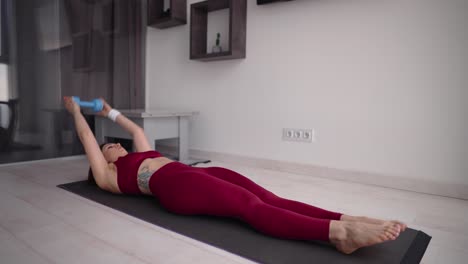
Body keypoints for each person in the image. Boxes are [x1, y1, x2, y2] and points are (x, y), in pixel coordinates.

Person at [63, 96, 407, 254]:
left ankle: (349, 218)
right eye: (110, 148)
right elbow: (87, 139)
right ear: (103, 164)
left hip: (194, 175)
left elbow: (135, 130)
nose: (116, 147)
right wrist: (77, 112)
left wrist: (110, 112)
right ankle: (338, 233)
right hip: (177, 189)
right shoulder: (109, 176)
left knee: (270, 198)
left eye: (115, 146)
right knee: (250, 207)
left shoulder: (140, 153)